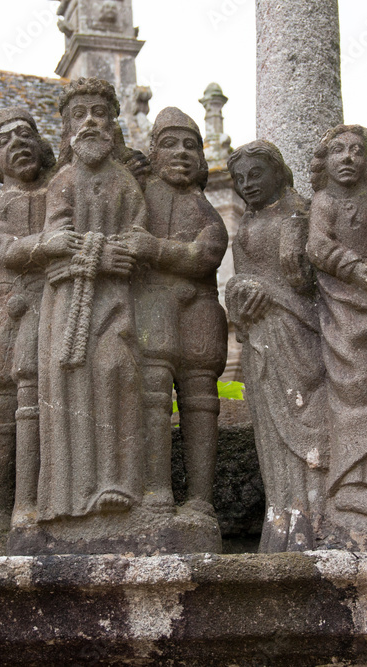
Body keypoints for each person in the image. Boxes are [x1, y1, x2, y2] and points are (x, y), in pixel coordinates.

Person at [36, 78, 145, 520]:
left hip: (116, 302)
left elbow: (139, 235)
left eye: (99, 113)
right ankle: (73, 493)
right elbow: (52, 237)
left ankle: (119, 482)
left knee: (116, 372)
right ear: (66, 127)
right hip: (68, 304)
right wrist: (92, 255)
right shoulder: (63, 180)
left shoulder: (124, 182)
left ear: (113, 123)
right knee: (72, 386)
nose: (90, 122)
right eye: (79, 114)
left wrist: (121, 253)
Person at [0, 106, 80, 532]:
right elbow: (2, 247)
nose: (17, 144)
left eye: (24, 135)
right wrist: (49, 243)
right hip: (12, 312)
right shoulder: (4, 202)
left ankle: (45, 501)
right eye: (3, 141)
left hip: (53, 311)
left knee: (49, 406)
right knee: (3, 412)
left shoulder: (60, 189)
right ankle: (3, 511)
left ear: (42, 146)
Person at [226, 140, 325, 552]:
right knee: (270, 429)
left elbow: (313, 284)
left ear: (278, 172)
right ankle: (282, 515)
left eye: (256, 175)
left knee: (309, 419)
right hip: (261, 339)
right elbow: (237, 282)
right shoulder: (245, 228)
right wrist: (239, 292)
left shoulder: (304, 215)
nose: (247, 185)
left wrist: (271, 289)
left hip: (299, 332)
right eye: (239, 179)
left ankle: (316, 516)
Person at [132, 106, 228, 517]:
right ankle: (156, 489)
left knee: (201, 396)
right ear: (152, 152)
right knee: (152, 392)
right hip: (153, 307)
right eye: (169, 143)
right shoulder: (140, 195)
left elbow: (207, 253)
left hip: (200, 313)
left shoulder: (204, 207)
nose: (182, 152)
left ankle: (202, 498)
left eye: (191, 145)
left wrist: (157, 250)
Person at [305, 124, 367, 519]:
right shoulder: (324, 201)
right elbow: (317, 246)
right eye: (338, 151)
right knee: (355, 384)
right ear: (325, 163)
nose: (347, 158)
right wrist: (356, 268)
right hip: (343, 304)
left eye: (356, 151)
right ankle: (349, 484)